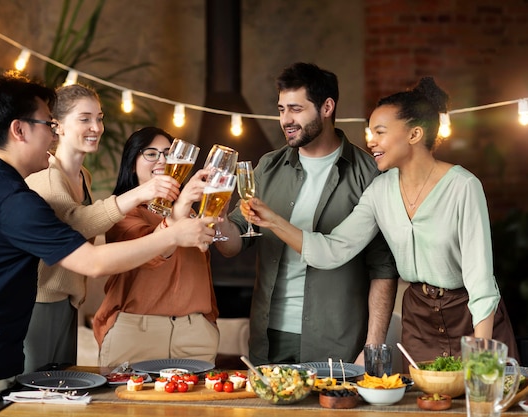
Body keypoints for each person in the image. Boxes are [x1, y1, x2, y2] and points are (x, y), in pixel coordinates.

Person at [0, 71, 216, 417]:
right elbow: (93, 263)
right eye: (48, 124)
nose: (52, 133)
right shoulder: (15, 199)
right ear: (19, 129)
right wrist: (172, 235)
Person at [242, 76, 519, 365]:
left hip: (473, 318)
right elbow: (332, 249)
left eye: (380, 132)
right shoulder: (379, 190)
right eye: (370, 132)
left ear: (413, 135)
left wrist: (481, 351)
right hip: (420, 319)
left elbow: (480, 280)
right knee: (424, 406)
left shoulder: (462, 185)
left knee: (484, 404)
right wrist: (273, 221)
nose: (370, 140)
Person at [215, 62, 399, 366]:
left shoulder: (369, 174)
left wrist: (373, 348)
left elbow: (383, 268)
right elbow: (233, 243)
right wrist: (218, 221)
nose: (286, 120)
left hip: (336, 339)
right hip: (268, 335)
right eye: (281, 109)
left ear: (327, 107)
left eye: (296, 109)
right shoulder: (269, 167)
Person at [22, 85, 179, 372]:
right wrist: (139, 195)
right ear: (57, 126)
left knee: (59, 393)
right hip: (39, 304)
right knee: (35, 397)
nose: (96, 127)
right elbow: (73, 225)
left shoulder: (83, 176)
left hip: (66, 302)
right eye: (84, 119)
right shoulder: (45, 176)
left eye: (99, 118)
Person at [93, 127, 220, 368]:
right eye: (151, 154)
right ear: (132, 164)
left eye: (168, 154)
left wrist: (207, 322)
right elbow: (150, 256)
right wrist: (180, 207)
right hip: (136, 332)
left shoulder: (191, 213)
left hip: (195, 333)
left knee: (199, 405)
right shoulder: (121, 213)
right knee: (125, 404)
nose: (162, 160)